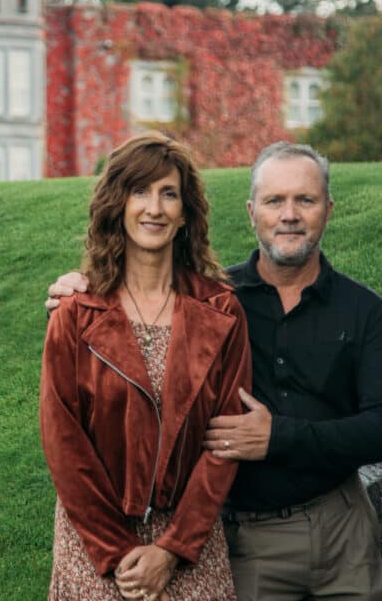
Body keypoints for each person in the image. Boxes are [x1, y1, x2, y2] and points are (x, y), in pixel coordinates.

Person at [47, 142, 382, 601]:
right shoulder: (218, 302)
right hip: (238, 538)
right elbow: (65, 439)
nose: (290, 215)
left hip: (336, 527)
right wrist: (71, 301)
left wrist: (277, 437)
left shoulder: (350, 310)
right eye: (275, 201)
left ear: (328, 209)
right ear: (251, 212)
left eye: (305, 200)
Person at [40, 132, 252, 601]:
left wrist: (172, 550)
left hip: (189, 540)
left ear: (185, 213)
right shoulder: (76, 312)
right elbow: (63, 442)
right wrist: (119, 553)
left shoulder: (221, 311)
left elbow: (226, 440)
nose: (154, 208)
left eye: (168, 193)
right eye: (140, 191)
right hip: (94, 542)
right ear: (118, 204)